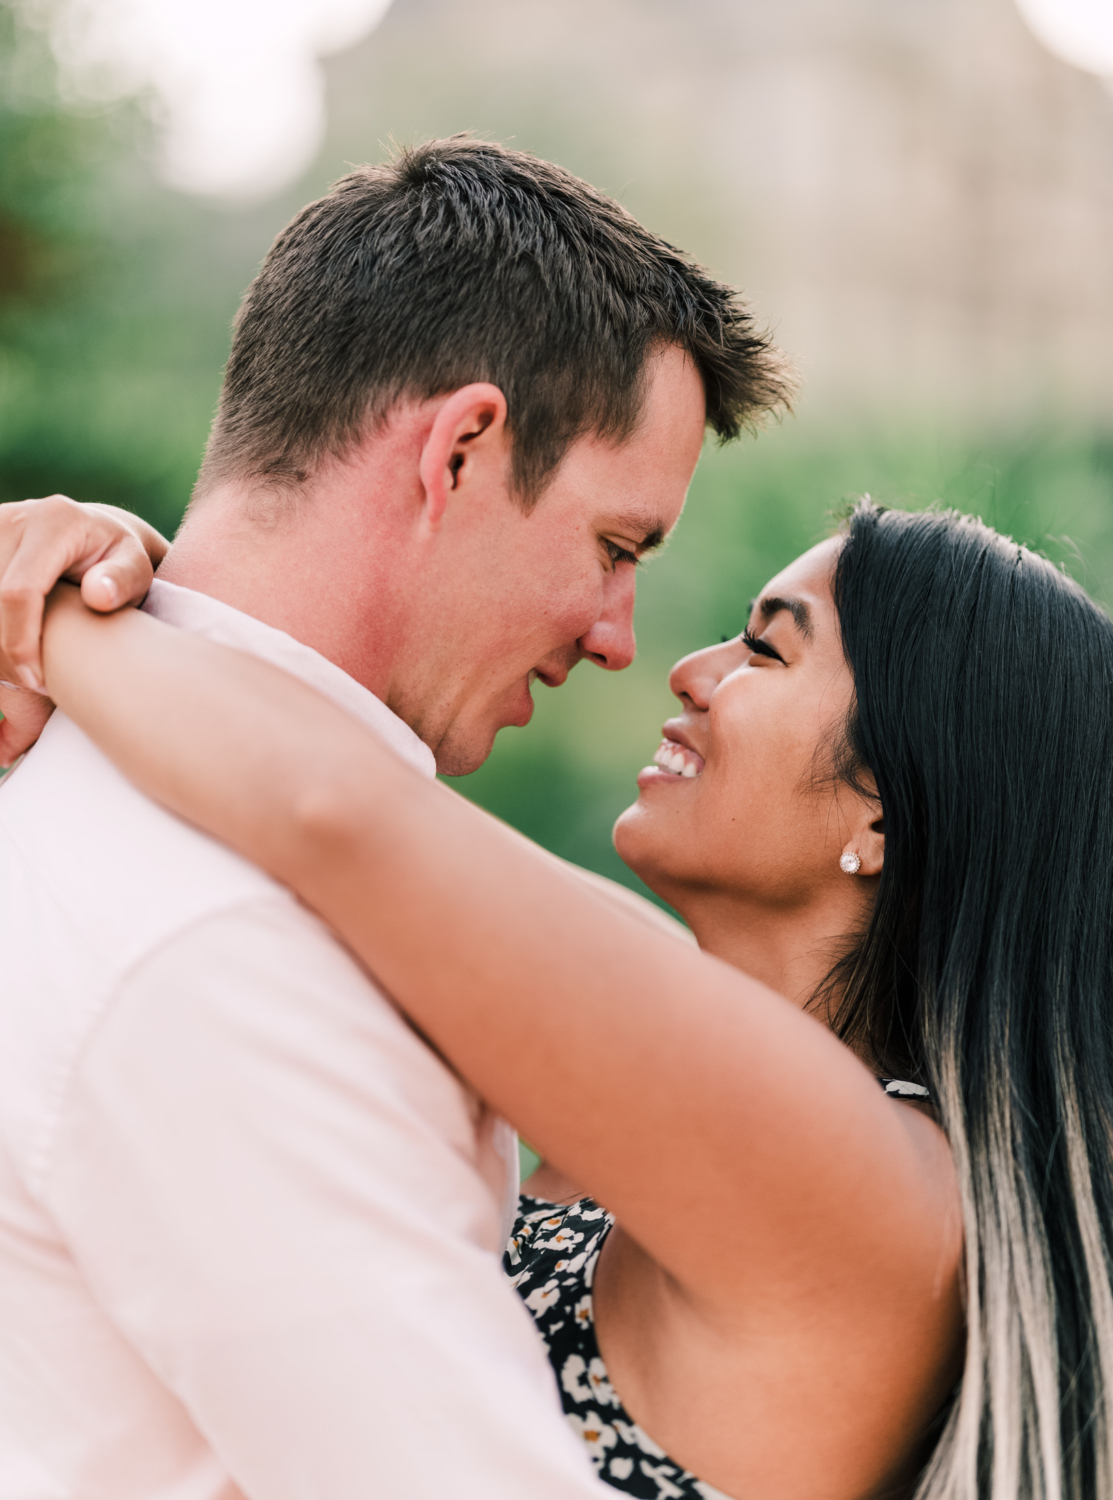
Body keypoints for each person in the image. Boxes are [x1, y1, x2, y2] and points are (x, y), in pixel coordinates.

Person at [9, 498, 1113, 1500]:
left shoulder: (863, 1188)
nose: (689, 667)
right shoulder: (669, 1109)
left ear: (881, 808)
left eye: (766, 651)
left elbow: (331, 811)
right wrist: (134, 586)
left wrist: (55, 617)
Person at [0, 138, 792, 1500]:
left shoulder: (85, 771)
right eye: (617, 549)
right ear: (463, 449)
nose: (621, 641)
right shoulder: (224, 942)